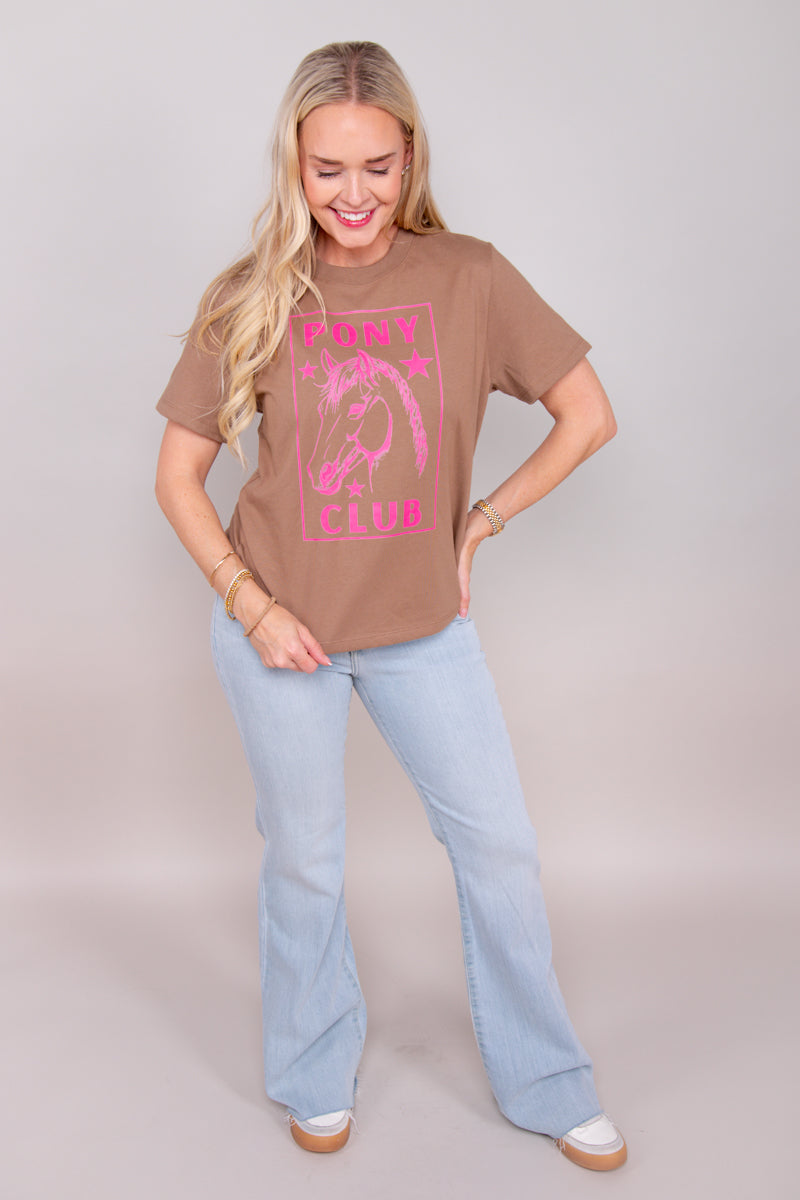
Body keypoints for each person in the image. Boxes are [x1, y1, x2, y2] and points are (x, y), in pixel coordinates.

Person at [154, 41, 626, 1170]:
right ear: (293, 164)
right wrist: (252, 605)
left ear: (409, 157)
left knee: (499, 851)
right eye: (327, 170)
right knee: (305, 863)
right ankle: (313, 1070)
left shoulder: (469, 277)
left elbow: (588, 413)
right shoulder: (251, 293)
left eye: (375, 166)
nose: (353, 194)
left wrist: (480, 520)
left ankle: (547, 1081)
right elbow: (177, 478)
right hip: (279, 631)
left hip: (424, 633)